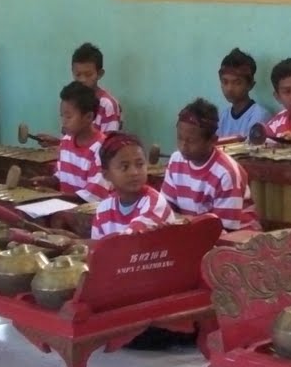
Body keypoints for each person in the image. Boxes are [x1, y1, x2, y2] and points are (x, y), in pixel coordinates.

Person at [162, 98, 260, 231]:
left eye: (191, 141)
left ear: (212, 141)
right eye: (180, 138)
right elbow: (165, 210)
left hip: (236, 238)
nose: (183, 146)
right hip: (194, 232)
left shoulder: (226, 173)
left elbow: (224, 229)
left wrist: (182, 222)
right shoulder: (176, 160)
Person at [90, 132, 176, 236]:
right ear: (106, 175)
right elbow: (98, 246)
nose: (134, 172)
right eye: (125, 167)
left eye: (140, 164)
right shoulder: (103, 210)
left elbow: (131, 240)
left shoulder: (155, 203)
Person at [32, 81, 106, 202]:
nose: (63, 121)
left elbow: (92, 197)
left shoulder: (102, 149)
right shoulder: (66, 141)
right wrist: (48, 181)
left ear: (88, 117)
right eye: (62, 116)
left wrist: (54, 195)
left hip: (90, 211)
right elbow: (61, 175)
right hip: (67, 207)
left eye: (68, 117)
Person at [216, 47, 270, 139]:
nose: (229, 88)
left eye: (237, 83)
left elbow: (252, 147)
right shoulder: (223, 116)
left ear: (250, 85)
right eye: (225, 82)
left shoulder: (259, 115)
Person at [71, 43, 122, 134]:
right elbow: (72, 139)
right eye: (78, 75)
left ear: (100, 74)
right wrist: (57, 141)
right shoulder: (72, 100)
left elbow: (109, 141)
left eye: (88, 75)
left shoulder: (107, 104)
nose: (82, 80)